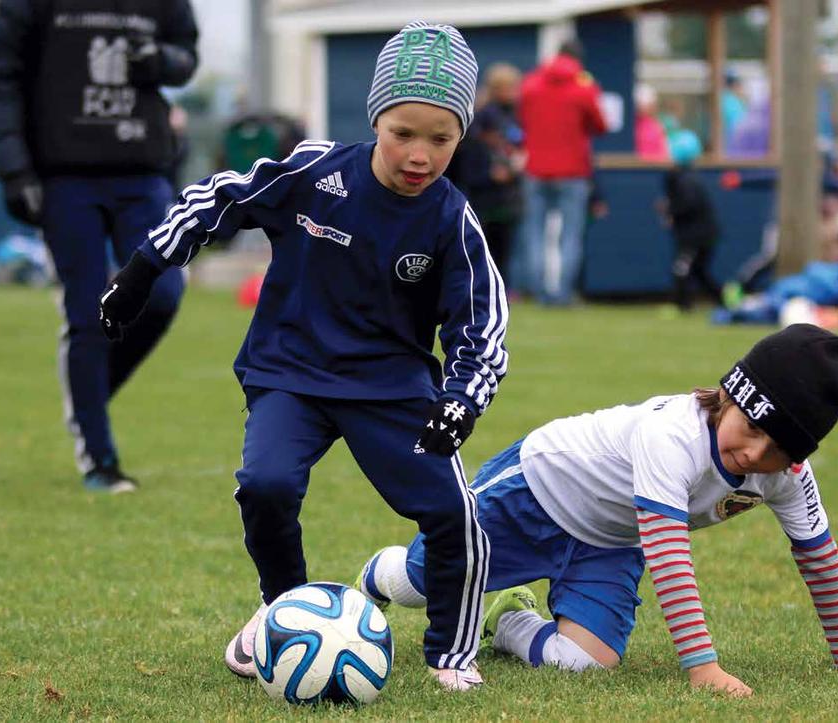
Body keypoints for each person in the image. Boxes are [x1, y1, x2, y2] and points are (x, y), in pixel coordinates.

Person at [98, 21, 508, 692]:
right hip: (292, 369)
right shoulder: (318, 171)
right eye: (404, 132)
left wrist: (462, 400)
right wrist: (143, 269)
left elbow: (482, 326)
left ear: (461, 135)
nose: (419, 154)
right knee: (265, 485)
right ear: (377, 119)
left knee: (454, 514)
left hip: (391, 385)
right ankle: (283, 607)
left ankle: (451, 653)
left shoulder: (451, 218)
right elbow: (220, 197)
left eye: (441, 138)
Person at [357, 324, 838, 697]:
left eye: (778, 448)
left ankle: (510, 618)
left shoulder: (785, 476)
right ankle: (378, 578)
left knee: (583, 664)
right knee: (418, 587)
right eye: (753, 429)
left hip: (610, 540)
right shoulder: (672, 435)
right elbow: (670, 558)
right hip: (534, 493)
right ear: (729, 396)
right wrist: (703, 669)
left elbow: (821, 559)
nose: (758, 455)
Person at [0, 0, 199, 492]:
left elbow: (186, 55)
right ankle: (100, 460)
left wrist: (162, 62)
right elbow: (0, 79)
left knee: (162, 293)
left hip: (142, 173)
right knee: (86, 313)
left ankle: (90, 397)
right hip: (64, 178)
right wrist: (14, 168)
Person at [518, 39, 607, 305]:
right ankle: (561, 293)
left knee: (534, 233)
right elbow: (600, 125)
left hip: (535, 168)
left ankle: (538, 290)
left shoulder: (531, 83)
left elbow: (523, 120)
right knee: (569, 235)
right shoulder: (584, 87)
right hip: (573, 170)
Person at [448, 62, 524, 287]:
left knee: (504, 244)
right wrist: (489, 173)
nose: (514, 92)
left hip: (506, 192)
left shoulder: (511, 115)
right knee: (484, 244)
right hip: (483, 192)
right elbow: (468, 157)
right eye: (510, 87)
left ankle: (503, 287)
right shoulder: (480, 117)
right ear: (497, 88)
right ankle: (482, 286)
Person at [660, 129, 722, 311]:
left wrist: (671, 210)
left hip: (696, 236)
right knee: (699, 271)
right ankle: (723, 301)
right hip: (701, 234)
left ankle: (682, 305)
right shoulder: (684, 178)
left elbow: (688, 204)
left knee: (682, 268)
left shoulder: (685, 180)